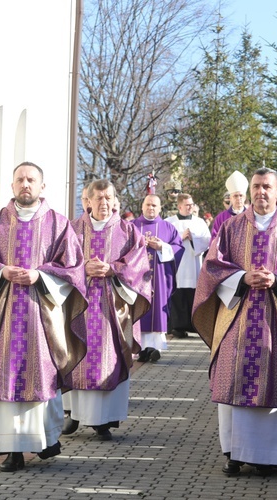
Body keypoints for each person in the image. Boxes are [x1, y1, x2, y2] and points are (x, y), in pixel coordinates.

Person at [192, 167, 277, 476]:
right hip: (236, 318)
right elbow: (212, 267)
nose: (261, 192)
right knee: (233, 378)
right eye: (256, 186)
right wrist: (242, 276)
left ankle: (269, 457)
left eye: (267, 187)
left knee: (275, 381)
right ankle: (234, 454)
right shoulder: (231, 227)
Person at [0, 162, 87, 472]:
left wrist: (39, 275)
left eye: (31, 180)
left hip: (42, 318)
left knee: (43, 375)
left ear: (42, 187)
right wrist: (2, 270)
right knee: (5, 377)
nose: (25, 184)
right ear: (12, 185)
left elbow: (73, 269)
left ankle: (44, 440)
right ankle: (11, 449)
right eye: (20, 179)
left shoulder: (59, 224)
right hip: (2, 316)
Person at [63, 179, 151, 440]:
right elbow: (58, 263)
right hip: (79, 307)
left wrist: (113, 268)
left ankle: (104, 420)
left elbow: (139, 265)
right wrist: (83, 269)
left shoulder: (128, 231)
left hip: (114, 307)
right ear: (88, 201)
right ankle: (73, 414)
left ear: (115, 200)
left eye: (108, 198)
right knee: (76, 354)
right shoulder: (72, 230)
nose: (104, 203)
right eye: (98, 198)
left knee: (107, 358)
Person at [131, 194, 183, 362]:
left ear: (160, 208)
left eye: (154, 205)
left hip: (159, 280)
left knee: (156, 309)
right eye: (148, 205)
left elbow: (179, 248)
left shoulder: (168, 228)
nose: (151, 208)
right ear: (142, 206)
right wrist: (139, 246)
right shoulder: (131, 227)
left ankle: (154, 348)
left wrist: (163, 247)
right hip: (137, 281)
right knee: (138, 310)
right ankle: (138, 348)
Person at [165, 193, 210, 338]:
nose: (191, 207)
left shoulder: (200, 222)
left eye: (192, 204)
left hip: (193, 265)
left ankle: (194, 325)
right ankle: (177, 327)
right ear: (179, 206)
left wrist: (193, 239)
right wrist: (180, 237)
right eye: (187, 205)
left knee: (192, 295)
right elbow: (163, 243)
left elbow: (207, 241)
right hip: (177, 266)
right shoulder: (169, 222)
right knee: (177, 295)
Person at [211, 171, 248, 238]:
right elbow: (215, 239)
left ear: (245, 197)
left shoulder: (251, 215)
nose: (238, 198)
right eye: (235, 196)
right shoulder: (221, 218)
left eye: (241, 195)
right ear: (230, 198)